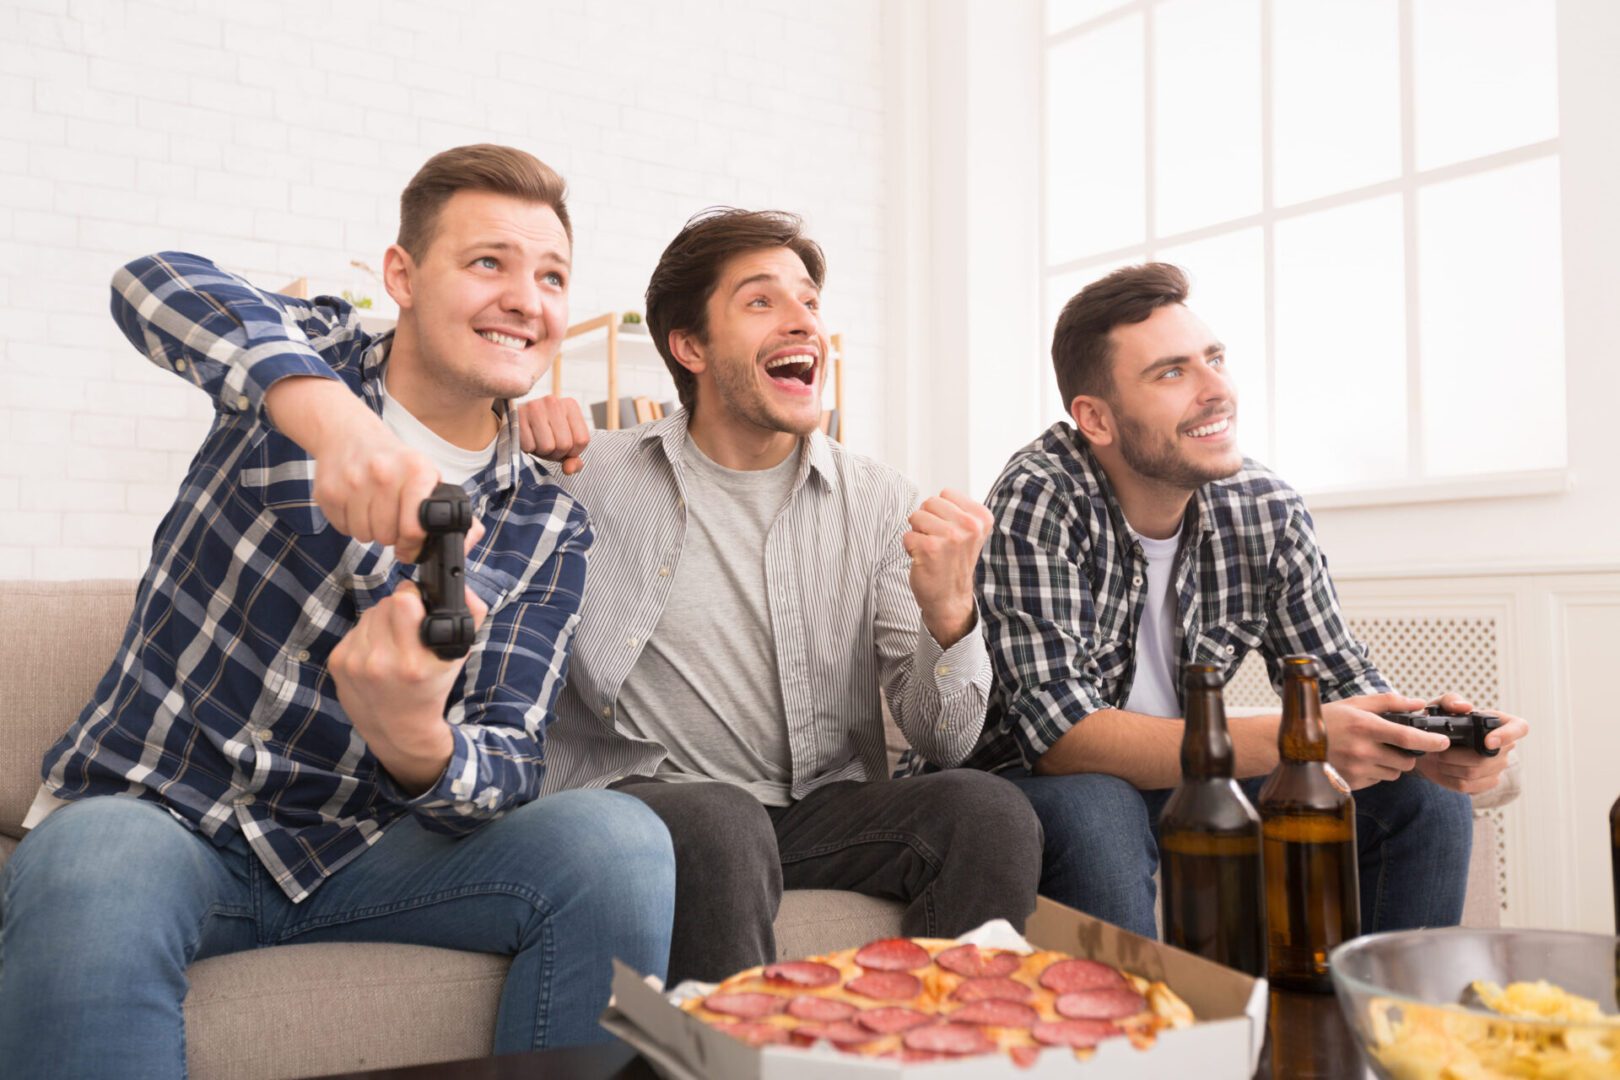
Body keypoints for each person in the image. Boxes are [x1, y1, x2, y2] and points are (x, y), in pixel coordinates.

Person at [0, 145, 675, 1078]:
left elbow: (512, 755)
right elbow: (151, 282)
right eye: (489, 261)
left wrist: (416, 742)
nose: (528, 297)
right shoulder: (298, 364)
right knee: (96, 861)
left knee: (620, 840)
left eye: (551, 275)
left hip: (365, 854)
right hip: (163, 815)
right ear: (400, 275)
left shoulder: (547, 522)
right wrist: (330, 419)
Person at [517, 208, 1043, 984]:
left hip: (813, 815)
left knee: (990, 811)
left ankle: (946, 1054)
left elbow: (946, 739)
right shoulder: (586, 475)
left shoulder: (877, 501)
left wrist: (951, 617)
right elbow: (446, 487)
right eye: (762, 301)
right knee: (721, 820)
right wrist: (505, 425)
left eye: (809, 301)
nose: (802, 320)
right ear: (690, 346)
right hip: (654, 806)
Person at [962, 262, 1529, 939]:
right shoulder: (1042, 494)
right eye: (1172, 373)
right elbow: (1062, 738)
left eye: (1215, 359)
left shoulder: (1263, 507)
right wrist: (1300, 738)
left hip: (1187, 783)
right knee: (1097, 806)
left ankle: (1381, 1034)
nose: (1216, 391)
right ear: (1095, 418)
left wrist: (1420, 741)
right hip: (1033, 786)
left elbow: (1346, 682)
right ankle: (1142, 1043)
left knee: (1423, 803)